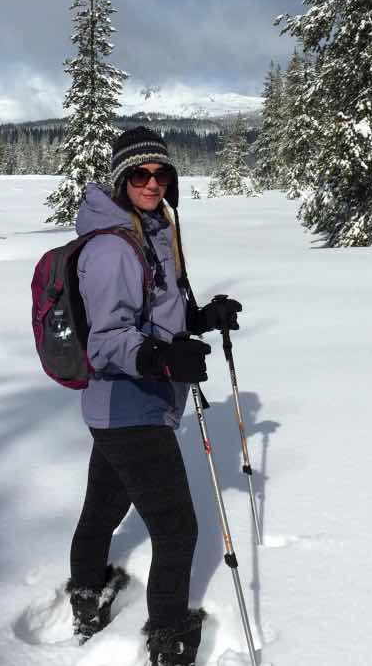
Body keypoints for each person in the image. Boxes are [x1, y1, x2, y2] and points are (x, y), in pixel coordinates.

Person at [64, 127, 243, 666]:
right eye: (140, 174)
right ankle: (168, 637)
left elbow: (156, 315)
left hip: (123, 406)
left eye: (161, 173)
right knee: (177, 528)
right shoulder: (113, 247)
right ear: (121, 178)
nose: (152, 183)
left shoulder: (151, 231)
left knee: (103, 509)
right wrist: (164, 359)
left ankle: (87, 594)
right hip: (130, 406)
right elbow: (107, 339)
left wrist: (200, 319)